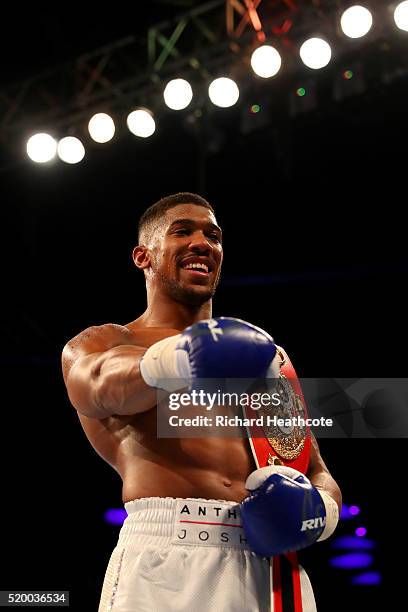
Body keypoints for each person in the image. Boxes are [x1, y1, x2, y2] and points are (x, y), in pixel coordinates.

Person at [62, 192, 342, 612]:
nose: (203, 243)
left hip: (270, 569)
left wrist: (316, 510)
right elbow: (98, 386)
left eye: (214, 235)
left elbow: (315, 470)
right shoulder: (108, 342)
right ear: (143, 256)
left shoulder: (268, 358)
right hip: (166, 562)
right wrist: (180, 358)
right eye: (183, 231)